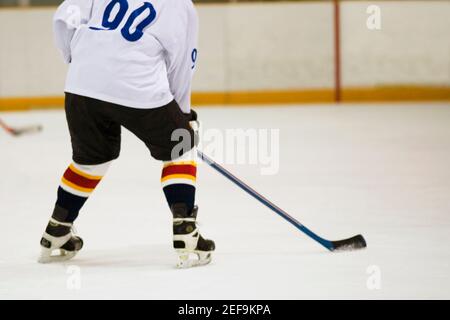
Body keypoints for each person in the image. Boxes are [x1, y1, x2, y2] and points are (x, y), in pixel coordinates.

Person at [38, 0, 215, 268]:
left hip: (81, 84)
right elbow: (181, 63)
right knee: (181, 148)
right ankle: (186, 231)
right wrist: (184, 115)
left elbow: (63, 19)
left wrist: (79, 61)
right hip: (137, 84)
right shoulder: (180, 4)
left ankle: (57, 230)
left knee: (91, 159)